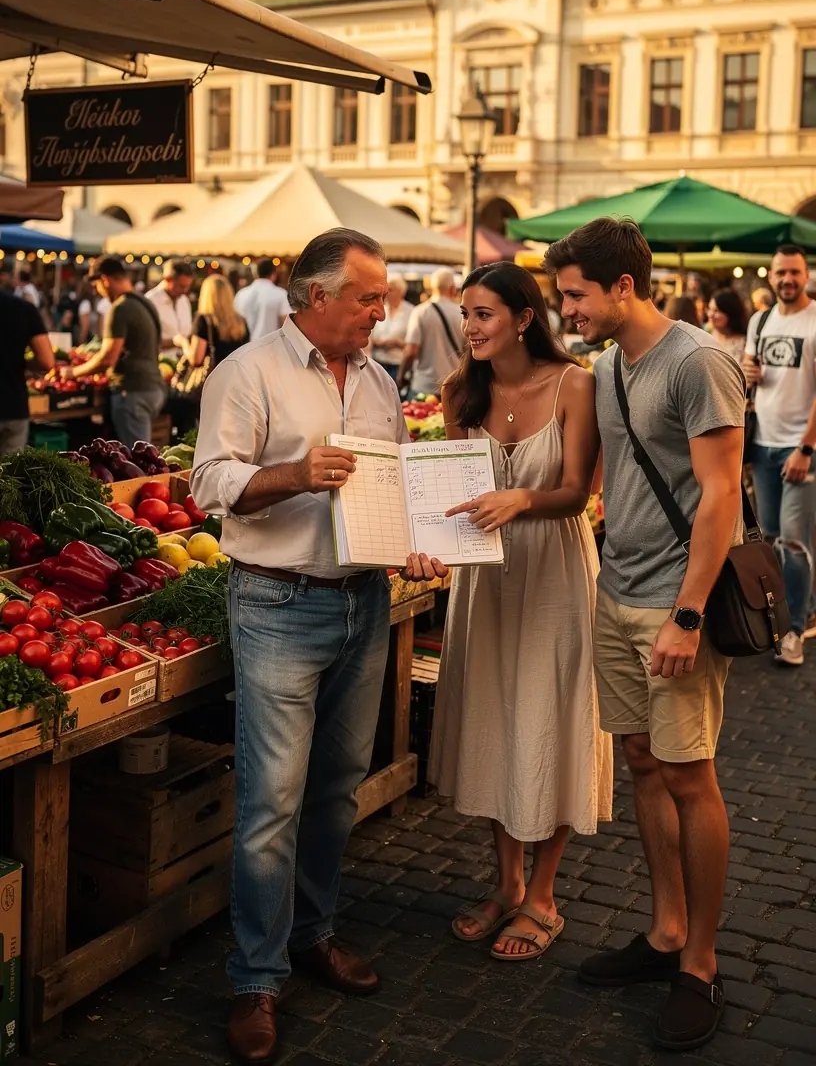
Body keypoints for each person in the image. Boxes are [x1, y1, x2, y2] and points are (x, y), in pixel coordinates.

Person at [190, 228, 445, 1065]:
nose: (384, 310)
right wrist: (297, 474)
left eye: (384, 297)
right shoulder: (247, 371)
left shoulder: (378, 378)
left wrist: (415, 535)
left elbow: (395, 481)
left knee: (336, 789)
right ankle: (255, 979)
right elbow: (209, 485)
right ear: (316, 297)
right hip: (276, 602)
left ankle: (313, 934)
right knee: (271, 804)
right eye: (369, 297)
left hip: (364, 600)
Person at [548, 218, 745, 1053]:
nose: (568, 310)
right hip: (616, 590)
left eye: (576, 296)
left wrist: (689, 614)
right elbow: (584, 479)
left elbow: (722, 493)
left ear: (623, 287)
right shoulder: (605, 365)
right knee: (642, 763)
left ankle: (700, 962)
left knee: (691, 775)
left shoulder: (697, 361)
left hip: (675, 604)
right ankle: (665, 930)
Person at [429, 261, 612, 961]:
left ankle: (543, 895)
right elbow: (443, 489)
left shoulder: (575, 385)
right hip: (483, 579)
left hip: (555, 571)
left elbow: (577, 492)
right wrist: (424, 541)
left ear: (525, 318)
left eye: (483, 315)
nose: (470, 327)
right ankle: (505, 883)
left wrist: (522, 500)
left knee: (552, 716)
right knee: (496, 717)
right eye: (466, 314)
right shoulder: (459, 391)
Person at [743, 246, 816, 668]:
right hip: (763, 444)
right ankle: (785, 614)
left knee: (793, 540)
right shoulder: (761, 320)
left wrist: (806, 448)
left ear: (805, 275)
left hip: (799, 447)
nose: (786, 279)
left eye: (794, 272)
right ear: (770, 276)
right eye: (780, 273)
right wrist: (749, 372)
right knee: (770, 538)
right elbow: (754, 378)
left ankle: (794, 630)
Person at [61, 257, 166, 449]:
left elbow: (108, 358)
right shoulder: (144, 302)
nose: (98, 291)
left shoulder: (120, 308)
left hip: (132, 391)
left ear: (105, 280)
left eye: (97, 286)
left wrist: (72, 373)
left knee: (137, 458)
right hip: (154, 388)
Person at [0, 268, 54, 452]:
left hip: (13, 406)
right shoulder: (23, 309)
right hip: (13, 406)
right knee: (9, 477)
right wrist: (22, 362)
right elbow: (47, 361)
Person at [398, 268, 464, 397]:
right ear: (452, 288)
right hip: (454, 385)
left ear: (432, 287)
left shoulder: (420, 312)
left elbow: (411, 351)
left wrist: (401, 375)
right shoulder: (462, 314)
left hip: (424, 385)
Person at [185, 274, 249, 368]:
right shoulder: (240, 321)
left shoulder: (204, 320)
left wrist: (183, 343)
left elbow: (196, 359)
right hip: (235, 376)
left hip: (213, 377)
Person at [234, 259, 291, 340]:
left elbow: (236, 322)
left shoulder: (241, 294)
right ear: (273, 275)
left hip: (245, 347)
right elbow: (287, 324)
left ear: (255, 274)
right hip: (271, 346)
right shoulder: (280, 294)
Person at [369, 272, 412, 379]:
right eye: (386, 290)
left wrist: (397, 343)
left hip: (398, 365)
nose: (387, 293)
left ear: (401, 292)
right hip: (377, 362)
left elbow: (414, 344)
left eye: (391, 290)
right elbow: (370, 335)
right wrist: (379, 342)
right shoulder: (380, 309)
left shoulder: (411, 312)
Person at [146, 260, 194, 354]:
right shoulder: (150, 301)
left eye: (188, 287)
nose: (185, 291)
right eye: (181, 286)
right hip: (161, 363)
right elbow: (145, 341)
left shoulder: (184, 300)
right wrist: (175, 342)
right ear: (167, 279)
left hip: (184, 363)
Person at [706, 289, 747, 362]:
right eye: (709, 309)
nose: (710, 314)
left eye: (716, 311)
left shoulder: (743, 344)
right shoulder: (704, 338)